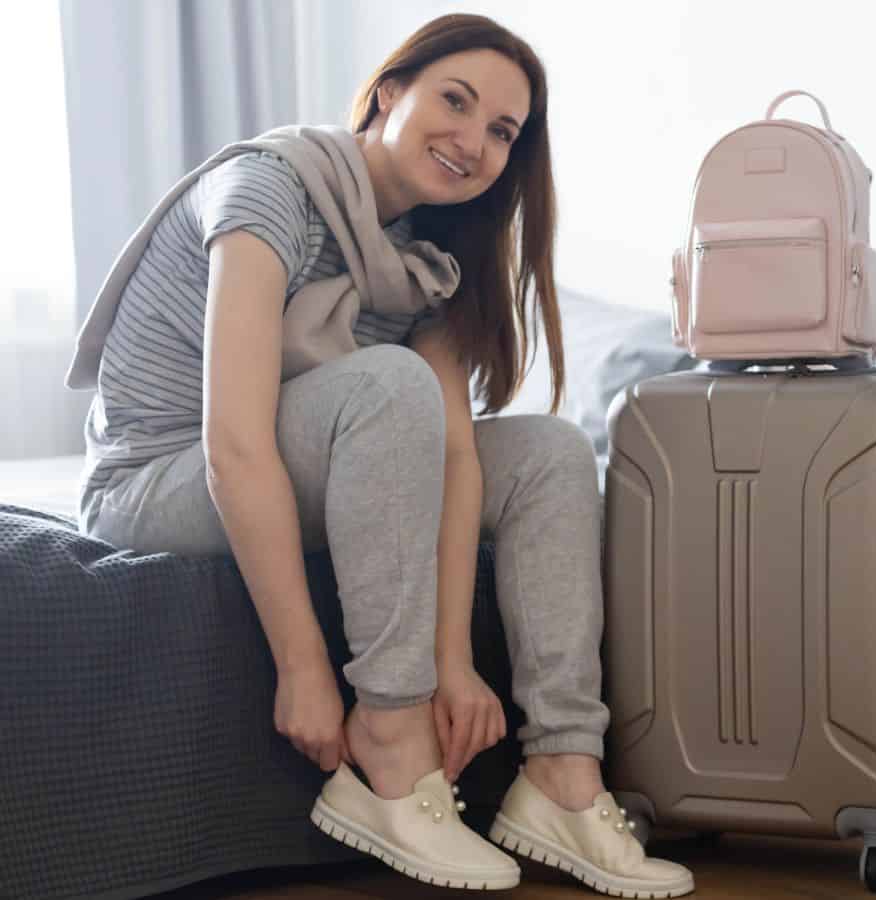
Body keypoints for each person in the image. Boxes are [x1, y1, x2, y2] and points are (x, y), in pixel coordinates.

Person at [68, 13, 692, 896]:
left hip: (306, 451)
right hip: (161, 474)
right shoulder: (269, 189)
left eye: (502, 132)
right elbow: (237, 443)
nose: (472, 141)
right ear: (390, 91)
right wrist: (306, 668)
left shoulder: (431, 257)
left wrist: (454, 659)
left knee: (550, 450)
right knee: (387, 386)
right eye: (456, 101)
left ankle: (561, 773)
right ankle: (392, 745)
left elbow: (453, 460)